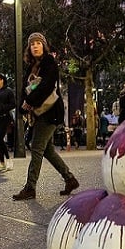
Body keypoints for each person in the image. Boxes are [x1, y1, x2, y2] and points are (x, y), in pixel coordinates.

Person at [13, 32, 78, 201]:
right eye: (32, 44)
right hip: (38, 112)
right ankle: (70, 179)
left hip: (50, 113)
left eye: (38, 43)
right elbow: (23, 88)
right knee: (47, 150)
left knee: (36, 148)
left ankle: (30, 188)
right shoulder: (31, 67)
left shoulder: (50, 63)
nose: (35, 46)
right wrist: (22, 105)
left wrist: (29, 101)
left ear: (44, 45)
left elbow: (47, 86)